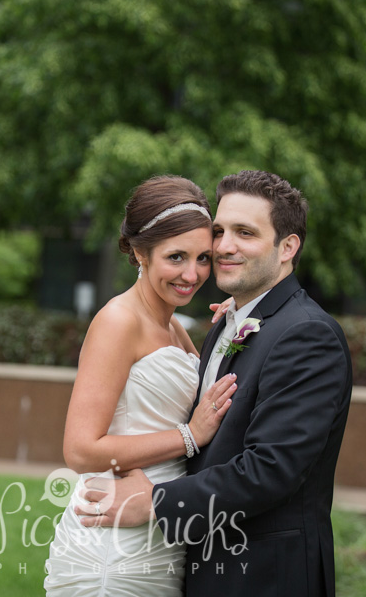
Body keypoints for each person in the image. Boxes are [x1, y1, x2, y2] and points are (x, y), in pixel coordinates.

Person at [78, 170, 353, 597]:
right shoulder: (229, 323)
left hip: (262, 577)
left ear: (287, 247)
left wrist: (154, 501)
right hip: (190, 560)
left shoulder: (308, 334)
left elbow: (270, 469)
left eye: (245, 233)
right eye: (220, 232)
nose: (223, 246)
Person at [44, 175, 238, 596]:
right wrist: (189, 436)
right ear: (139, 253)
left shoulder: (175, 327)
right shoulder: (119, 321)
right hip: (112, 546)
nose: (192, 274)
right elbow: (80, 450)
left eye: (203, 258)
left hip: (159, 532)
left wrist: (236, 318)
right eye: (176, 257)